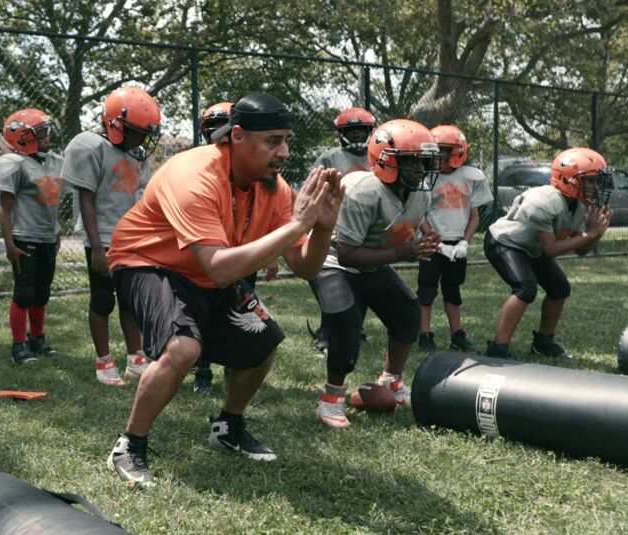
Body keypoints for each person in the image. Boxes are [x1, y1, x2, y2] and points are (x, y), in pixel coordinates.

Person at [104, 93, 344, 486]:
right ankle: (130, 445)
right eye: (272, 141)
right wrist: (298, 226)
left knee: (263, 342)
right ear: (236, 136)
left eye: (286, 140)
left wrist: (323, 227)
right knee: (183, 349)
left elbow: (305, 267)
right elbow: (217, 270)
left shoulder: (275, 188)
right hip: (147, 261)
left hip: (207, 270)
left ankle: (228, 428)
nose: (283, 151)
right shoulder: (193, 175)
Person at [312, 119, 442, 430]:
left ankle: (391, 380)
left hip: (372, 261)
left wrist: (427, 236)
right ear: (385, 160)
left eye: (424, 162)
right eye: (412, 162)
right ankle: (331, 399)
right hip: (333, 262)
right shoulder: (361, 191)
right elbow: (346, 252)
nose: (421, 170)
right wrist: (400, 254)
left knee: (408, 311)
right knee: (346, 321)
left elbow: (411, 219)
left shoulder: (417, 192)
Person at [61, 87, 161, 387]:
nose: (141, 140)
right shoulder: (90, 145)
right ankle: (105, 363)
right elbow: (86, 200)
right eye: (135, 132)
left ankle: (136, 360)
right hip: (102, 236)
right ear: (114, 124)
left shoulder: (133, 154)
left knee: (130, 302)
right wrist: (96, 248)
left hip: (129, 236)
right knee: (102, 300)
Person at [483, 147, 613, 360]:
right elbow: (550, 249)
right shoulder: (544, 200)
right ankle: (498, 348)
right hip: (505, 242)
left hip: (530, 247)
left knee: (559, 287)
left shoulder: (577, 204)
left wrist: (595, 234)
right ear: (568, 179)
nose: (596, 187)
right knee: (526, 288)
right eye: (590, 180)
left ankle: (543, 343)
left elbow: (581, 250)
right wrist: (589, 233)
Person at [191, 101, 280, 395]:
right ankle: (202, 372)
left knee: (243, 316)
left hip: (244, 257)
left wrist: (272, 255)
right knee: (202, 315)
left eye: (225, 130)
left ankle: (238, 365)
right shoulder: (201, 170)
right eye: (214, 131)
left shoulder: (257, 171)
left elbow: (268, 211)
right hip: (210, 259)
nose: (221, 137)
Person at [0, 108, 65, 364]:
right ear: (21, 137)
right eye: (40, 133)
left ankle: (38, 339)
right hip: (24, 236)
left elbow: (53, 202)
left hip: (47, 236)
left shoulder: (54, 161)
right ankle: (18, 346)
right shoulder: (13, 163)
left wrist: (57, 231)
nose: (46, 136)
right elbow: (5, 211)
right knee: (24, 292)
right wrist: (10, 245)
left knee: (42, 291)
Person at [416, 125, 493, 353]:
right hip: (431, 242)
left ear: (458, 152)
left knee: (453, 290)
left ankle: (456, 335)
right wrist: (434, 241)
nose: (439, 156)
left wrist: (464, 242)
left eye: (444, 151)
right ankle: (425, 335)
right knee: (426, 290)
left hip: (456, 241)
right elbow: (419, 214)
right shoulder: (425, 178)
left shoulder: (471, 177)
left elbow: (474, 216)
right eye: (436, 151)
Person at [309, 107, 376, 352]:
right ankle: (327, 331)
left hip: (366, 226)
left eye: (362, 132)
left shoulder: (376, 156)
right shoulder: (330, 157)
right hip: (335, 226)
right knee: (331, 283)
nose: (358, 137)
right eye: (352, 132)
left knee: (362, 278)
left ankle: (354, 327)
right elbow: (314, 188)